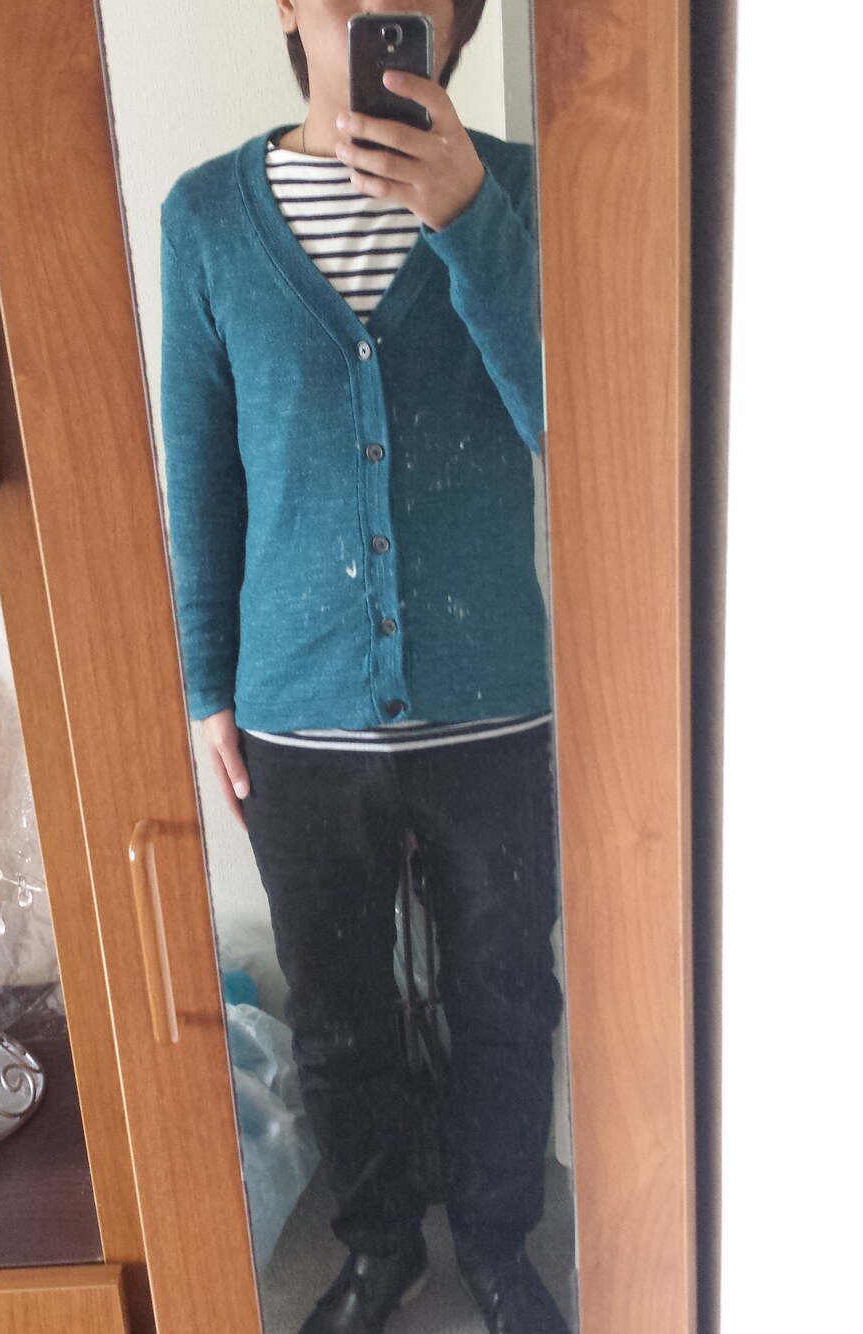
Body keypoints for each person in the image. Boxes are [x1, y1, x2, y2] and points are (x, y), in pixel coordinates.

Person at [160, 3, 570, 1331]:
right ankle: (380, 1244)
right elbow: (201, 470)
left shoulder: (520, 190)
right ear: (286, 5)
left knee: (505, 996)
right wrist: (207, 683)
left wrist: (470, 222)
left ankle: (500, 1246)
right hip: (298, 713)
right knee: (338, 1016)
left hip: (492, 701)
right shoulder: (207, 217)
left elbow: (573, 419)